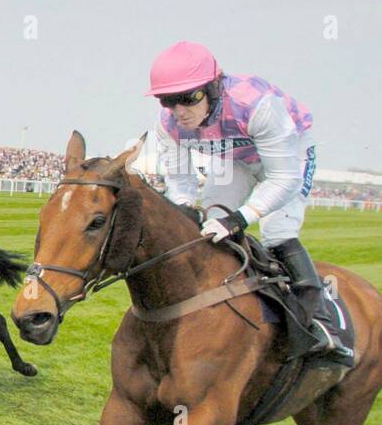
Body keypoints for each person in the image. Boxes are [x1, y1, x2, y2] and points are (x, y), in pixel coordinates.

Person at [149, 41, 352, 365]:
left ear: (213, 88)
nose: (179, 110)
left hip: (289, 156)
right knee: (209, 219)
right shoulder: (168, 124)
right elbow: (181, 183)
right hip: (239, 162)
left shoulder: (256, 105)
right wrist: (186, 207)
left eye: (189, 98)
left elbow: (283, 179)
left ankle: (321, 326)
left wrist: (241, 219)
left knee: (277, 232)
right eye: (168, 100)